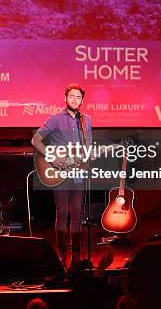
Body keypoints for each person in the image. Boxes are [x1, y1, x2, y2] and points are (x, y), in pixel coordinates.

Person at [31, 83, 93, 268]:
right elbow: (35, 139)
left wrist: (89, 157)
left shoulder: (86, 120)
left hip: (78, 171)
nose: (75, 100)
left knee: (77, 213)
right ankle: (61, 254)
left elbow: (88, 147)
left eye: (79, 97)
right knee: (62, 212)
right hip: (59, 172)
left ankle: (75, 255)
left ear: (82, 100)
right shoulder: (56, 118)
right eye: (72, 96)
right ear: (65, 98)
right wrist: (52, 157)